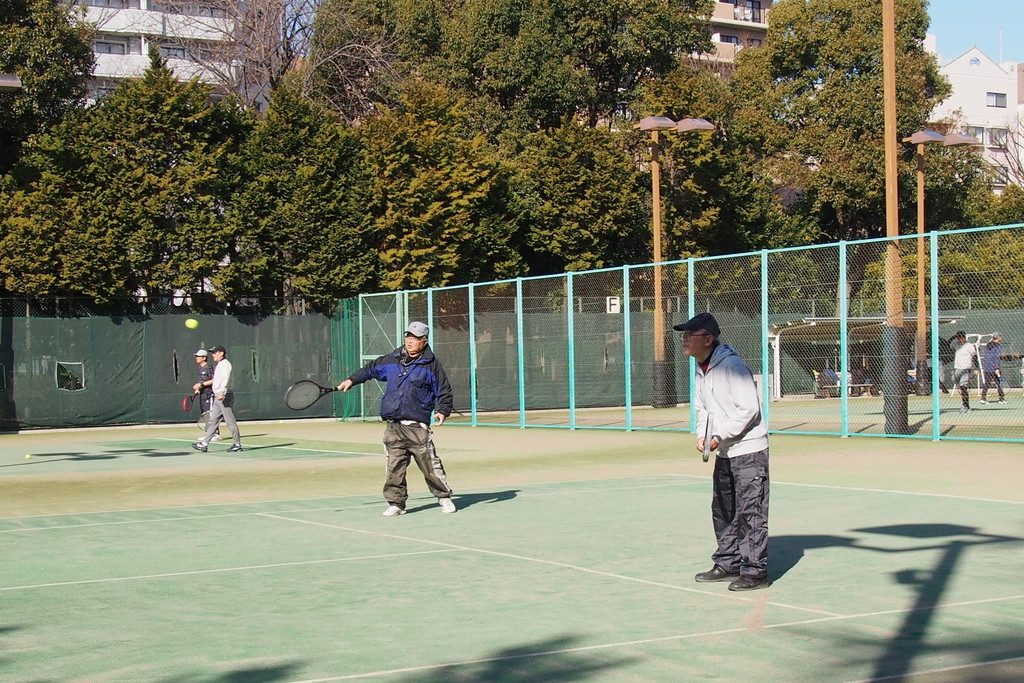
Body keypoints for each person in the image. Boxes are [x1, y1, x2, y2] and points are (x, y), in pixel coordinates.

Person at [676, 312, 770, 591]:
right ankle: (728, 563)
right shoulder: (701, 369)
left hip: (749, 451)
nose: (684, 340)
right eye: (683, 335)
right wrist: (703, 435)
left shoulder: (733, 366)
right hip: (725, 452)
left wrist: (720, 435)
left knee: (750, 512)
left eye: (689, 335)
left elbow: (749, 409)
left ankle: (755, 572)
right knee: (723, 509)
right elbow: (703, 409)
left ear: (707, 339)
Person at [336, 321, 456, 517]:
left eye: (415, 338)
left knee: (430, 466)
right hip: (393, 427)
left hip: (417, 427)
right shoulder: (392, 359)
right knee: (394, 468)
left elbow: (444, 390)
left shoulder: (432, 365)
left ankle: (444, 497)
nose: (409, 341)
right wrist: (352, 380)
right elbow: (370, 369)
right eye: (408, 336)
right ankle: (396, 503)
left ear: (424, 341)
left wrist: (443, 410)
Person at [192, 345, 243, 453]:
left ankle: (237, 444)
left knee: (230, 421)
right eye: (212, 353)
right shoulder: (220, 364)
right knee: (213, 421)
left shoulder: (225, 364)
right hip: (217, 396)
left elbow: (225, 379)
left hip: (223, 396)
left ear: (221, 353)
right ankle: (204, 444)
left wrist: (221, 393)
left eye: (215, 353)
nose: (213, 355)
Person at [191, 349, 221, 441]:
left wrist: (201, 385)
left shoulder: (208, 367)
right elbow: (202, 382)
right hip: (203, 395)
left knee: (210, 414)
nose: (197, 358)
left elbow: (214, 380)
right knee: (205, 414)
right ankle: (209, 433)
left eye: (198, 356)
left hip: (209, 394)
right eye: (196, 356)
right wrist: (198, 389)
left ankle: (215, 434)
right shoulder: (200, 368)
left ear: (204, 358)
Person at [949, 331, 978, 413]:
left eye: (962, 338)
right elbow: (948, 343)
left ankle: (965, 405)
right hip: (958, 368)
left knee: (963, 386)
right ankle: (966, 405)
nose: (960, 339)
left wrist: (976, 368)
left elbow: (974, 356)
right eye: (958, 338)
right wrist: (953, 337)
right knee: (954, 380)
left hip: (966, 368)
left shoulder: (969, 345)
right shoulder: (956, 344)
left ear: (965, 338)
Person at [980, 333, 1007, 405]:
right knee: (999, 383)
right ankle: (1001, 399)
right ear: (998, 337)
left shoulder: (987, 345)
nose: (1001, 338)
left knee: (987, 383)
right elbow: (996, 358)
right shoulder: (998, 346)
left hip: (987, 367)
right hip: (994, 368)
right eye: (1000, 336)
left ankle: (983, 398)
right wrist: (997, 368)